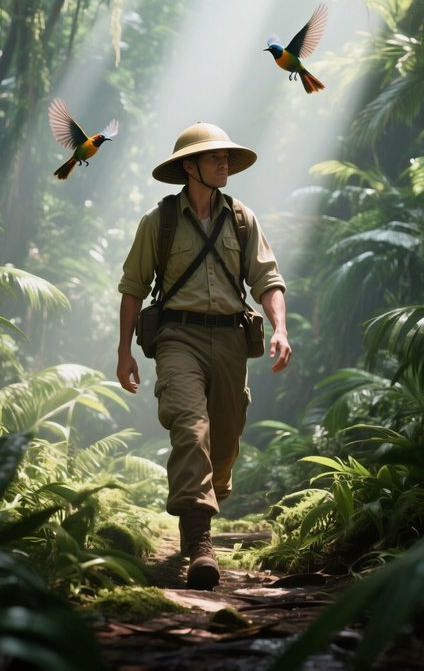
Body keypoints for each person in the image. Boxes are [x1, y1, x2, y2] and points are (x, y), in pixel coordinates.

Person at [116, 122, 292, 590]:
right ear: (189, 168)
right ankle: (198, 543)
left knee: (226, 437)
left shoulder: (242, 219)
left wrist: (280, 328)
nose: (224, 163)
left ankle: (205, 505)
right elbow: (133, 289)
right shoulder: (160, 222)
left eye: (226, 158)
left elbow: (268, 280)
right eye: (214, 158)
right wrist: (123, 354)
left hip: (232, 341)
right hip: (179, 338)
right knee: (191, 429)